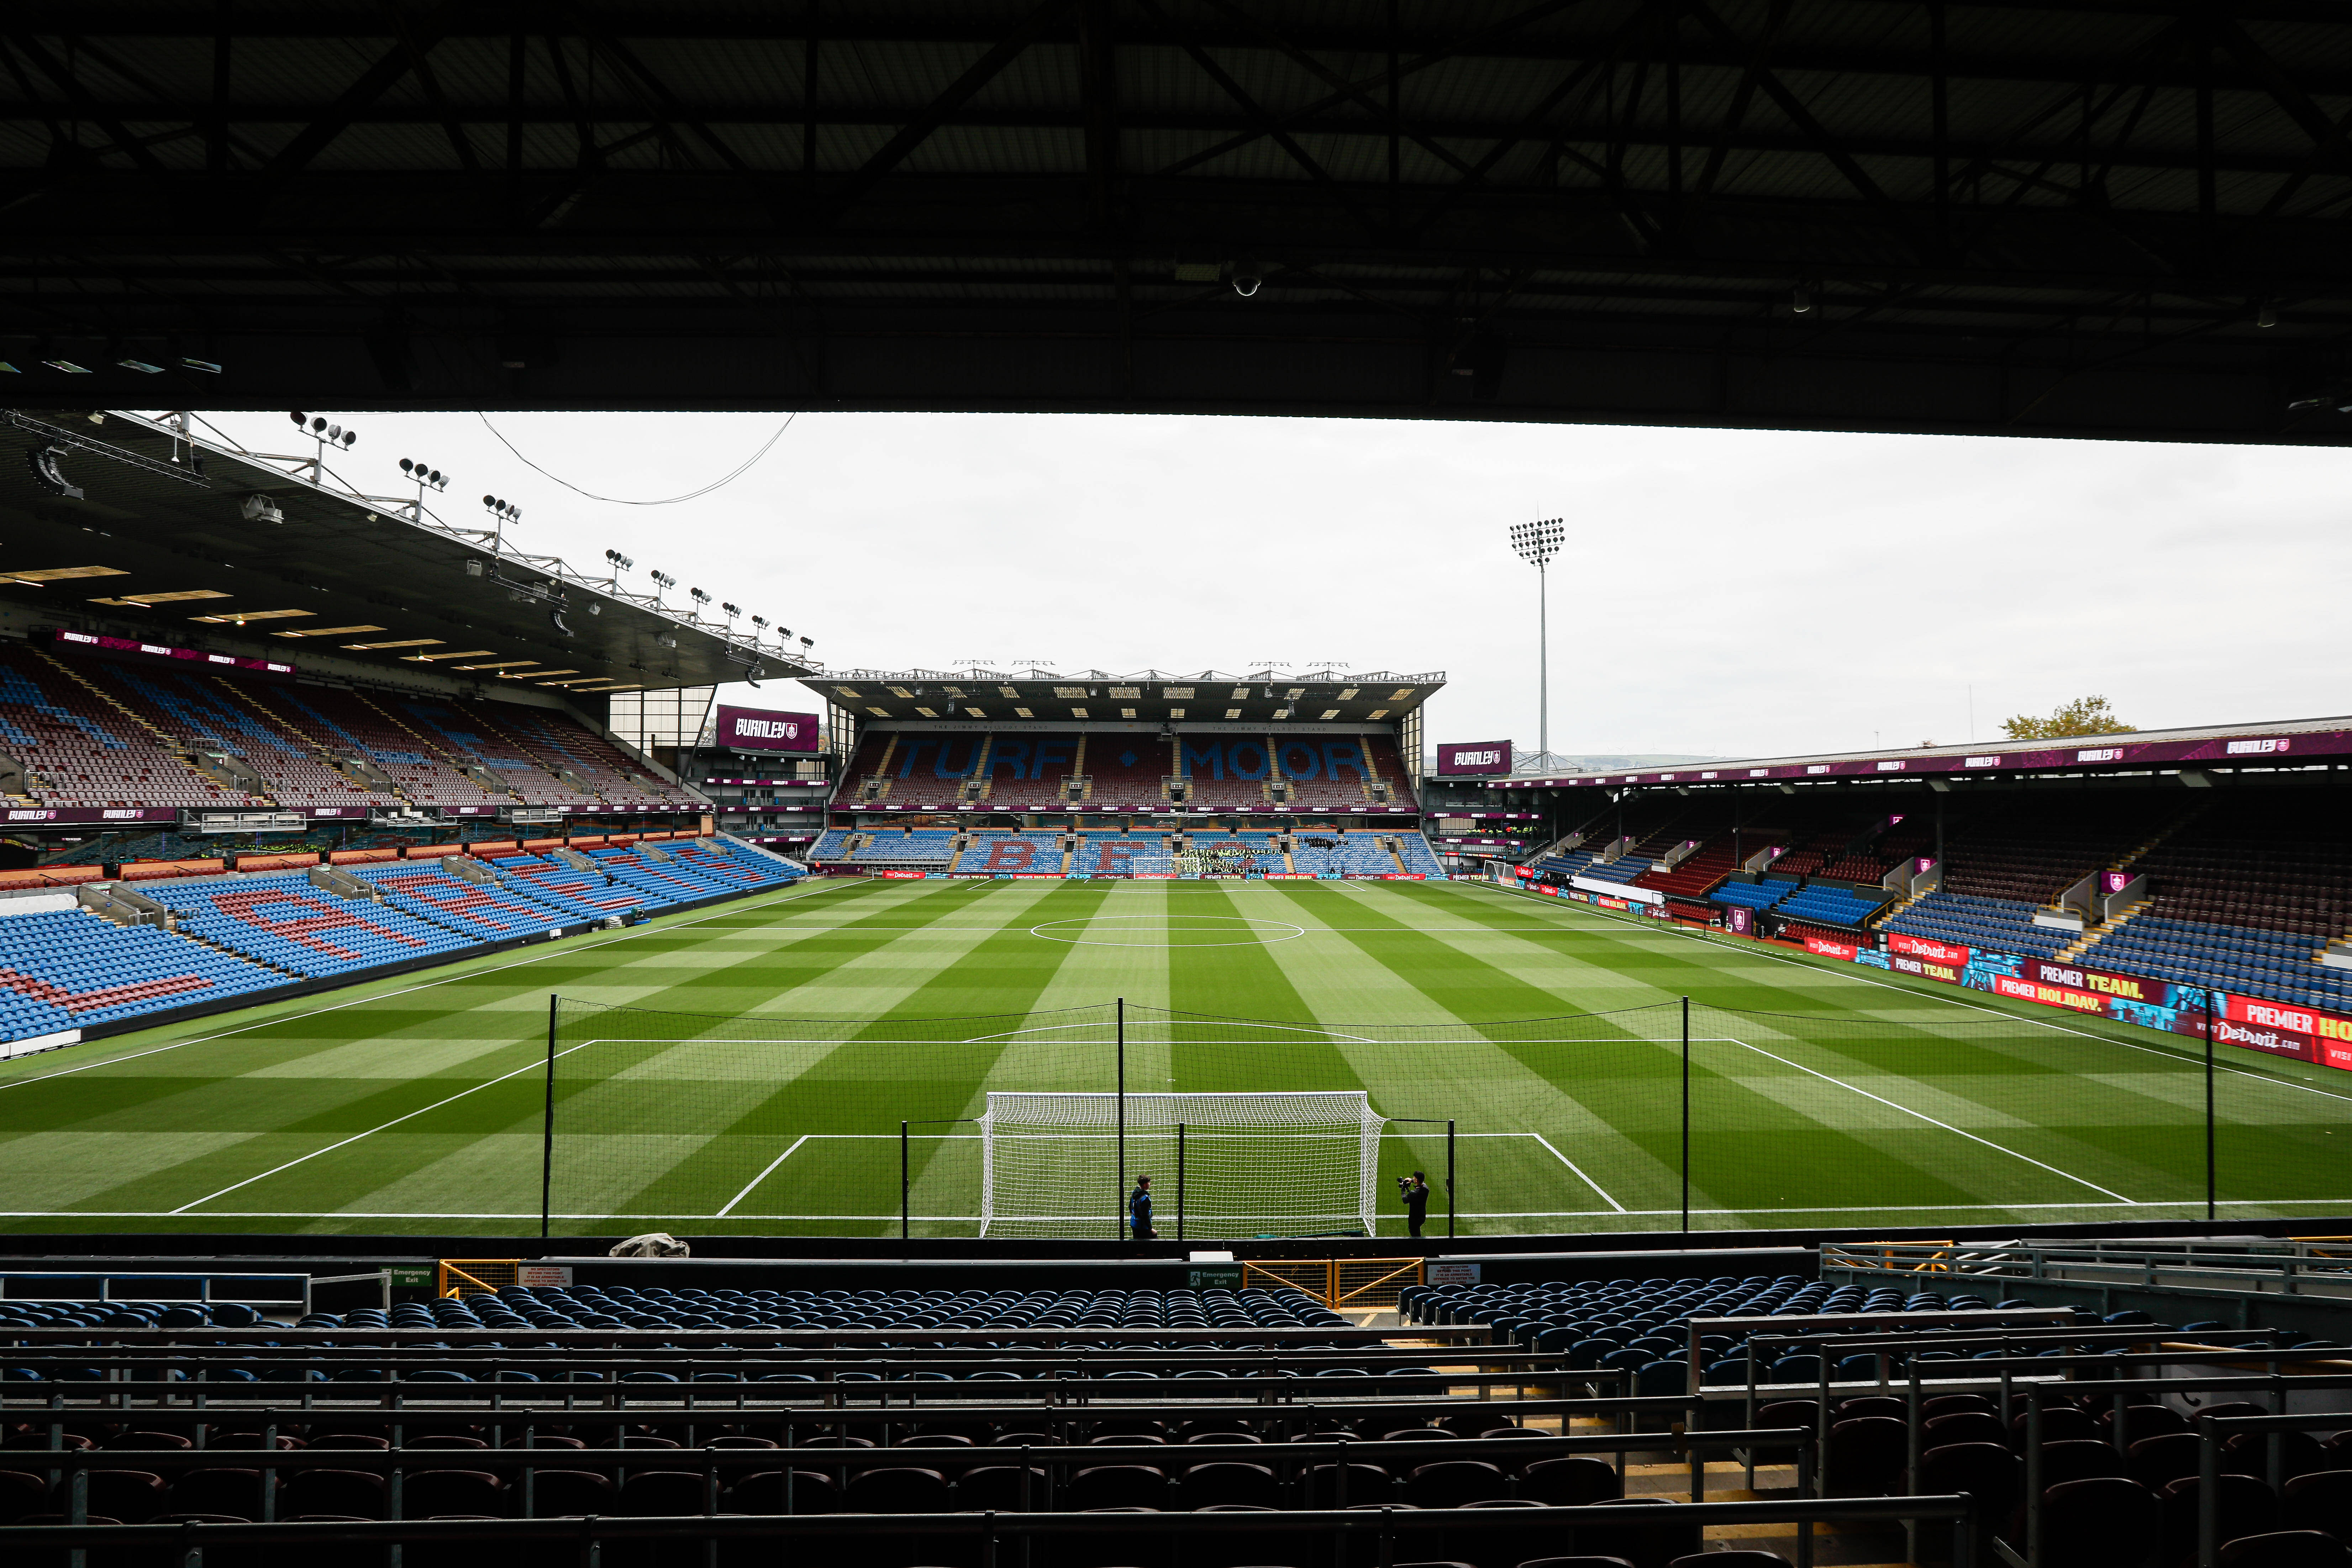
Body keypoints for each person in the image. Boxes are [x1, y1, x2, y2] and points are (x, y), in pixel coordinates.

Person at [1401, 1171, 1431, 1240]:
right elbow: (1423, 1184)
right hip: (1422, 1216)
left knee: (1416, 1236)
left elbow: (1405, 1200)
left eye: (1414, 1178)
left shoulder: (1413, 1194)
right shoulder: (1426, 1190)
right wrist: (1411, 1181)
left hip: (1414, 1219)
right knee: (1417, 1233)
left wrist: (1403, 1190)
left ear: (1417, 1180)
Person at [1129, 1175, 1156, 1241]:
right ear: (1145, 1184)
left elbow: (1130, 1207)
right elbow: (1145, 1216)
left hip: (1134, 1224)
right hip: (1143, 1227)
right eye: (1149, 1182)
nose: (1150, 1184)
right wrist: (1151, 1229)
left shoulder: (1135, 1193)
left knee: (1138, 1245)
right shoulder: (1145, 1198)